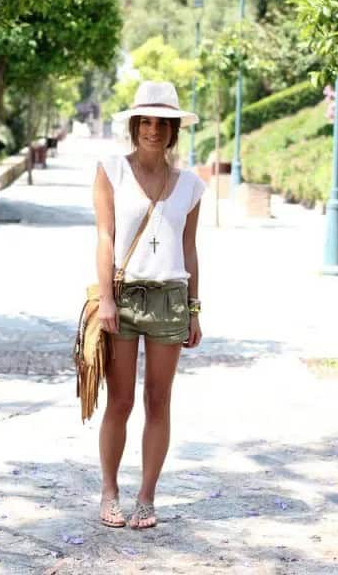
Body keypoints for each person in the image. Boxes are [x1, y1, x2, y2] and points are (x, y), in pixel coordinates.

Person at [93, 80, 206, 529]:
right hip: (123, 298)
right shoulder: (111, 170)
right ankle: (109, 491)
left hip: (170, 300)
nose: (153, 130)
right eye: (146, 121)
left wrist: (194, 308)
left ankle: (146, 497)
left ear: (173, 129)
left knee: (159, 400)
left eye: (163, 123)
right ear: (135, 125)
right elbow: (104, 237)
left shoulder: (191, 186)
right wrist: (105, 299)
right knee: (119, 401)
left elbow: (190, 248)